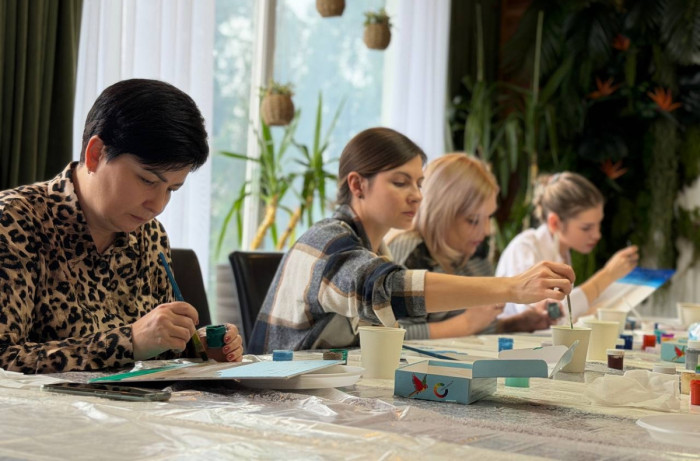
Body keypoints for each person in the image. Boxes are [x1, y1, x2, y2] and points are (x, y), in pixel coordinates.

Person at [248, 128, 574, 354]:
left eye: (419, 184)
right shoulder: (329, 243)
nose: (417, 196)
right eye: (401, 182)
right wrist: (512, 287)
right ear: (358, 185)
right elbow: (387, 290)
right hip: (276, 400)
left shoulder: (375, 250)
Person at [0, 79, 244, 374]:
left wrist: (197, 345)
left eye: (171, 189)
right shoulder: (13, 221)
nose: (158, 205)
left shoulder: (150, 235)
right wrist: (128, 342)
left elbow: (157, 351)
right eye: (147, 180)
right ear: (96, 154)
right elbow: (4, 358)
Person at [388, 153, 555, 340]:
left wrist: (518, 323)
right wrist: (467, 323)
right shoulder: (411, 252)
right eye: (473, 220)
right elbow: (390, 336)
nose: (487, 231)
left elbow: (478, 330)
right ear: (440, 215)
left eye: (489, 217)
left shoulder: (473, 251)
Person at [496, 172, 639, 321]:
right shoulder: (524, 249)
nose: (597, 235)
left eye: (599, 224)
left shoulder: (563, 253)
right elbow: (543, 317)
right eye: (586, 228)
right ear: (555, 223)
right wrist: (607, 275)